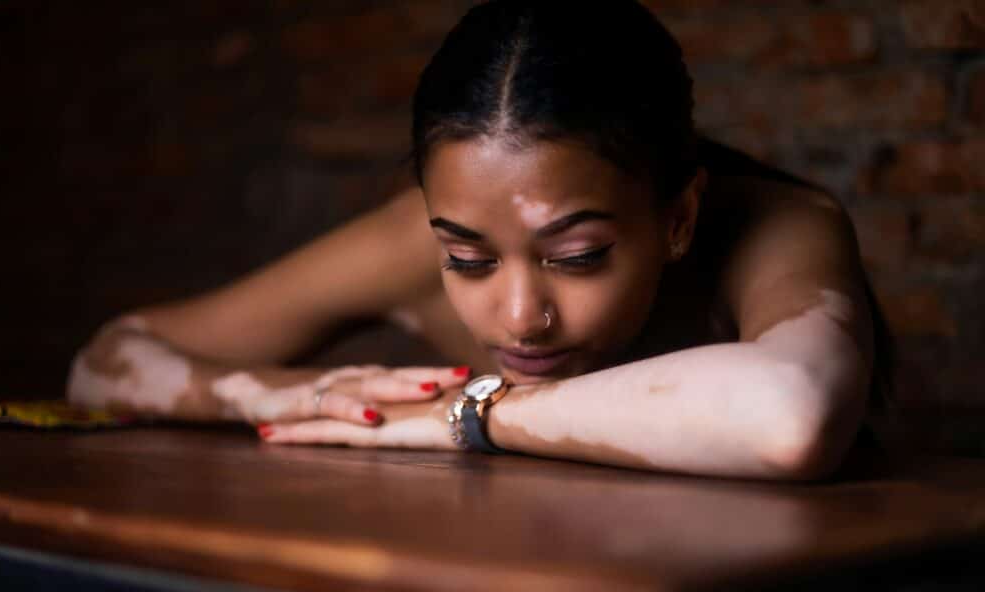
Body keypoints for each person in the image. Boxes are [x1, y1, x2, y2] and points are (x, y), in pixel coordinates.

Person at [66, 0, 894, 481]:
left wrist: (461, 414)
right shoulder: (403, 240)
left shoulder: (776, 226)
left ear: (677, 218)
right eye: (465, 259)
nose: (519, 316)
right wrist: (263, 394)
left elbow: (793, 415)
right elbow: (107, 360)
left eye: (577, 257)